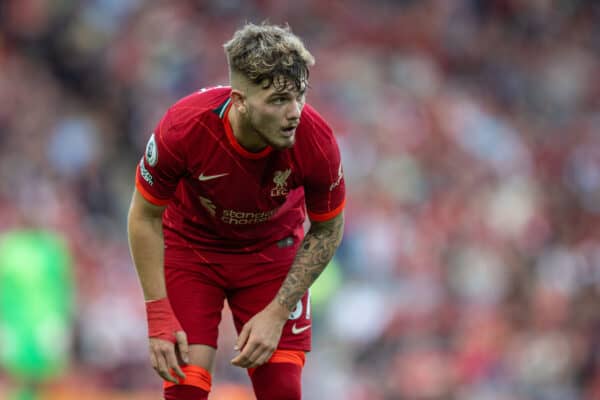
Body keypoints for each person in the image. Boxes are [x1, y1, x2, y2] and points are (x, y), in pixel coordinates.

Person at [127, 22, 345, 400]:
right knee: (186, 389)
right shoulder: (184, 128)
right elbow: (144, 215)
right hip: (193, 251)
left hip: (271, 256)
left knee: (282, 389)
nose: (293, 112)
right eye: (278, 100)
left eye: (299, 96)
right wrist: (158, 314)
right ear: (240, 101)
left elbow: (327, 228)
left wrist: (277, 312)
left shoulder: (316, 140)